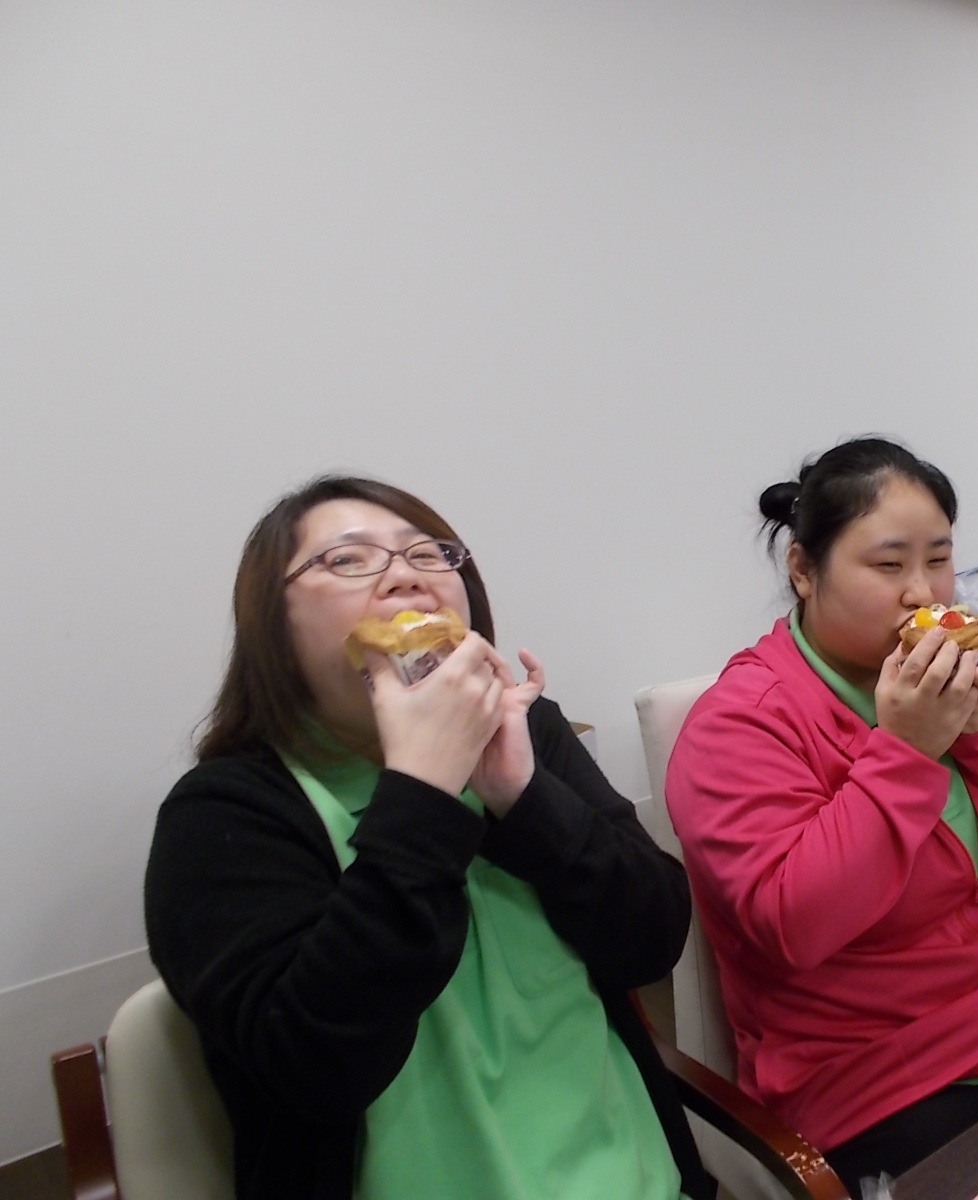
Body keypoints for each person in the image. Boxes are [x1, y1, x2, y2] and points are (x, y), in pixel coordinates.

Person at [144, 476, 711, 1200]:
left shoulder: (530, 730)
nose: (406, 576)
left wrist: (523, 797)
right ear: (272, 625)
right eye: (348, 560)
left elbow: (653, 940)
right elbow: (315, 1069)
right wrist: (422, 788)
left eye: (427, 554)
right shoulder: (223, 813)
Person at [664, 438, 978, 1194]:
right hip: (877, 1087)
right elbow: (794, 926)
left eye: (939, 559)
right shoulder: (739, 725)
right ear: (803, 570)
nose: (922, 591)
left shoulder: (952, 679)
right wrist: (906, 750)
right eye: (888, 564)